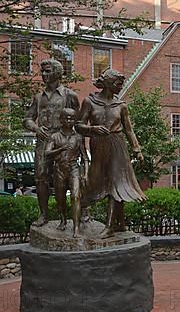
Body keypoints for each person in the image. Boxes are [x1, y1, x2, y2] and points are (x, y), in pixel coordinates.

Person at [77, 69, 146, 238]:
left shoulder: (121, 105)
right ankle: (112, 222)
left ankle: (110, 226)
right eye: (118, 83)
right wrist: (92, 129)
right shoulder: (89, 102)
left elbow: (129, 130)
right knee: (94, 181)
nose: (120, 87)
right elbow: (78, 125)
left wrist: (137, 149)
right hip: (98, 145)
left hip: (117, 145)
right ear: (108, 83)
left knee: (117, 182)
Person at [24, 59, 79, 227]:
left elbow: (79, 119)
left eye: (47, 71)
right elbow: (27, 119)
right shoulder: (38, 97)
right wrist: (36, 128)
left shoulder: (70, 95)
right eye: (43, 72)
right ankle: (44, 215)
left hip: (64, 140)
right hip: (43, 141)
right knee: (41, 177)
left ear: (57, 73)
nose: (43, 75)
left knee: (71, 178)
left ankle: (82, 212)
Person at [45, 108, 89, 236]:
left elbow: (85, 158)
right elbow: (47, 153)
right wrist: (61, 149)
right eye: (66, 118)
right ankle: (63, 220)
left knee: (76, 196)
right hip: (59, 169)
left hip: (74, 168)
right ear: (61, 120)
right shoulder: (54, 136)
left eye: (71, 118)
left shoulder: (78, 137)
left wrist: (85, 174)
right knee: (60, 198)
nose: (69, 121)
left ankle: (76, 228)